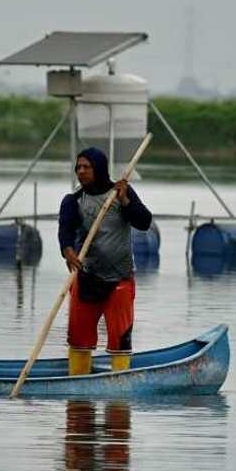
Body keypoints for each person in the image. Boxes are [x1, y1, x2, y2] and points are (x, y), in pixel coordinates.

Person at [58, 147, 152, 375]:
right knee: (79, 338)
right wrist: (67, 250)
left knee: (120, 340)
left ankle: (119, 385)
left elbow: (144, 222)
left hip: (120, 279)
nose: (81, 171)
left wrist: (126, 201)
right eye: (78, 167)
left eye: (86, 167)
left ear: (98, 168)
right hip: (86, 276)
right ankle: (78, 384)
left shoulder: (120, 192)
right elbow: (65, 231)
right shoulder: (73, 201)